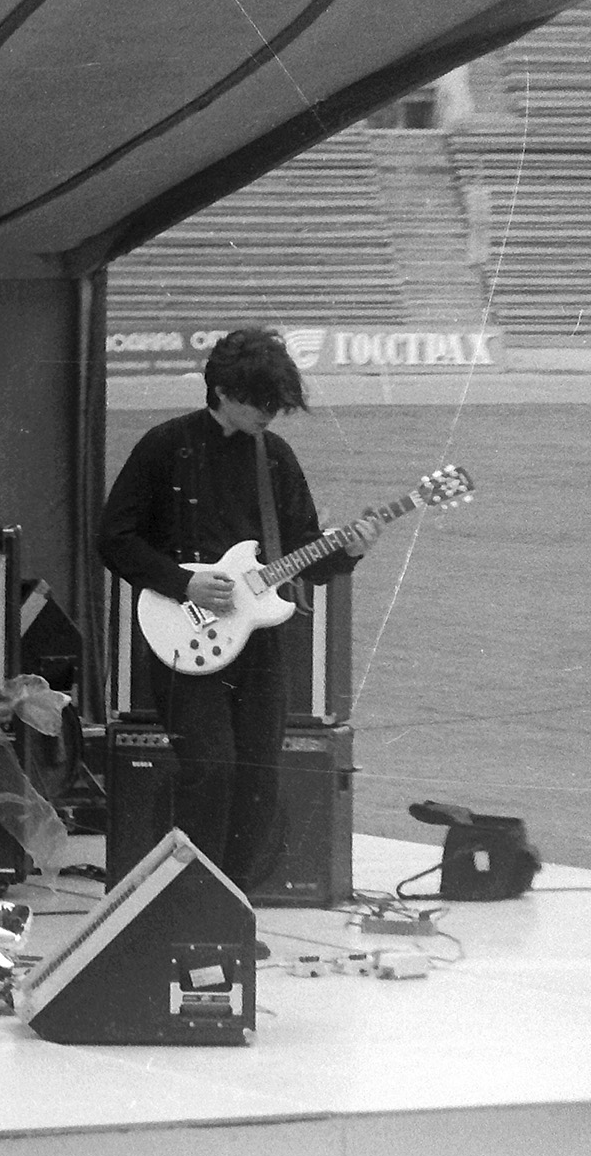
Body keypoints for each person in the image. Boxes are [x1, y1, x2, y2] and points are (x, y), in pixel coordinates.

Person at [98, 327, 381, 888]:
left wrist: (348, 551)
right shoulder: (164, 446)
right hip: (185, 641)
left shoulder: (273, 456)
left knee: (259, 780)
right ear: (224, 391)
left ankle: (232, 902)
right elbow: (114, 537)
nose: (270, 415)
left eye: (277, 404)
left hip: (257, 647)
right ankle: (190, 900)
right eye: (260, 402)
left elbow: (304, 552)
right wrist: (184, 583)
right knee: (210, 770)